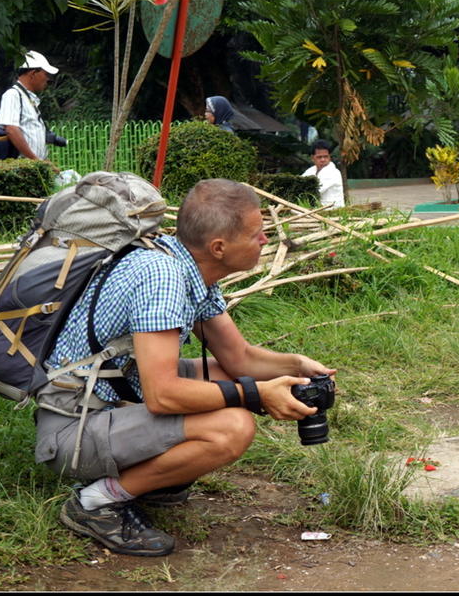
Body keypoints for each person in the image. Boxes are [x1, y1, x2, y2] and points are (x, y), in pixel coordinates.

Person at [36, 179, 336, 556]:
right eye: (257, 234)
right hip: (72, 431)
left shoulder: (186, 264)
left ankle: (155, 479)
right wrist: (256, 395)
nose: (264, 241)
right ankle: (96, 502)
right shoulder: (163, 279)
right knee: (232, 428)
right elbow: (163, 396)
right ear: (219, 247)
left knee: (232, 377)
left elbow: (239, 359)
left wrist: (295, 366)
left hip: (113, 403)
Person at [0, 50, 58, 163]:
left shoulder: (28, 98)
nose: (48, 79)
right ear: (33, 73)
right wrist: (36, 161)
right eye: (46, 74)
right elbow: (11, 129)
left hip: (33, 166)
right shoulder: (13, 95)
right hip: (22, 168)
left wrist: (44, 162)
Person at [301, 139, 345, 209]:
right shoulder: (310, 171)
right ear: (312, 158)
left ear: (329, 157)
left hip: (333, 210)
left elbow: (314, 192)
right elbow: (300, 183)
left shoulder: (333, 172)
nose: (323, 160)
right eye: (319, 157)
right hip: (317, 209)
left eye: (325, 156)